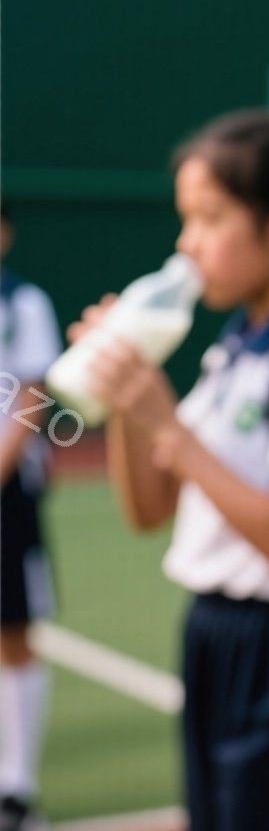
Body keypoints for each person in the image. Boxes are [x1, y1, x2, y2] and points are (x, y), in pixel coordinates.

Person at [68, 111, 269, 831]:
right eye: (186, 219)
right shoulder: (234, 351)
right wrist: (129, 396)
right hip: (215, 631)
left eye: (210, 218)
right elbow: (148, 508)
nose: (188, 243)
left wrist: (169, 426)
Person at [0, 199, 62, 831]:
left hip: (8, 495)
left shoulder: (23, 303)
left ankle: (15, 787)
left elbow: (33, 397)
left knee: (12, 630)